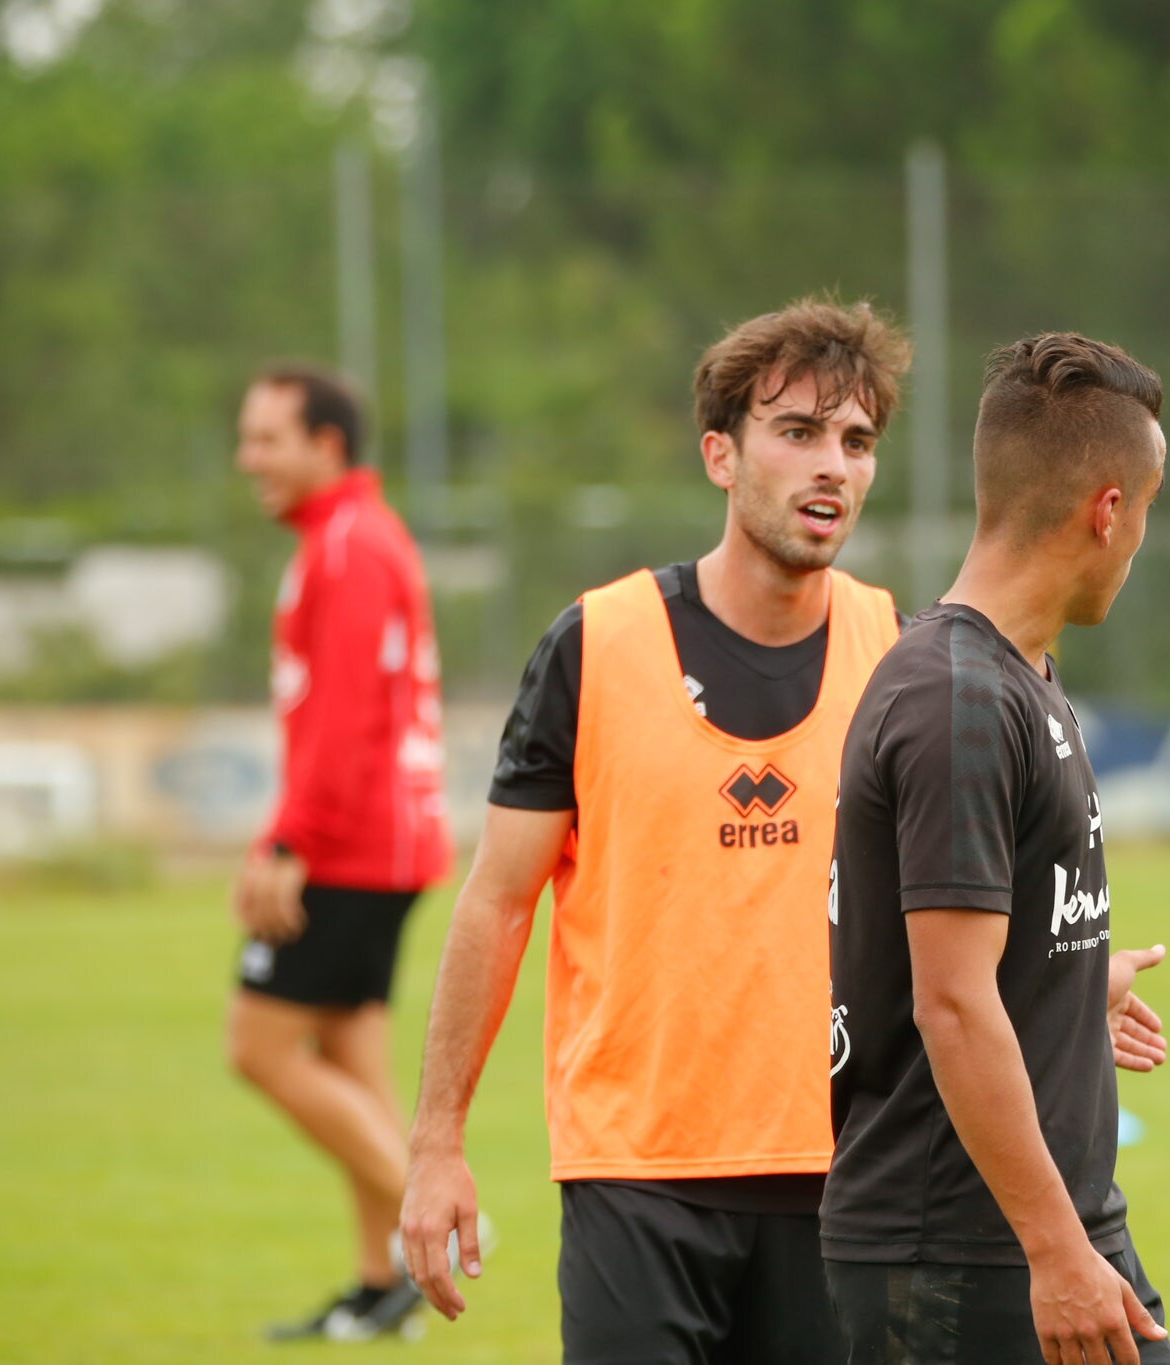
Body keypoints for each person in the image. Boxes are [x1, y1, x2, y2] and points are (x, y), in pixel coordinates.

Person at [397, 298, 914, 1363]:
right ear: (720, 456)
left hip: (840, 1176)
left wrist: (1062, 994)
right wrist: (436, 1141)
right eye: (798, 432)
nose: (834, 467)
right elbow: (497, 904)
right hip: (634, 1177)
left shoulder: (892, 650)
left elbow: (945, 904)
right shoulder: (595, 646)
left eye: (856, 442)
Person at [824, 332, 1170, 1365]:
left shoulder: (1019, 679)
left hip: (1035, 1234)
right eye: (1144, 514)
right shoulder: (958, 698)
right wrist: (1055, 1253)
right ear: (1106, 509)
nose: (1138, 540)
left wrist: (1067, 991)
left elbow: (968, 970)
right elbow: (948, 1001)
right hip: (962, 1258)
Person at [226, 364, 452, 1342]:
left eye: (267, 438)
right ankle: (379, 1286)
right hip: (377, 843)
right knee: (352, 1061)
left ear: (328, 445)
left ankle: (437, 1207)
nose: (249, 459)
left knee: (259, 1047)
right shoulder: (344, 539)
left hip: (355, 848)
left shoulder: (349, 548)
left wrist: (288, 841)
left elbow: (348, 718)